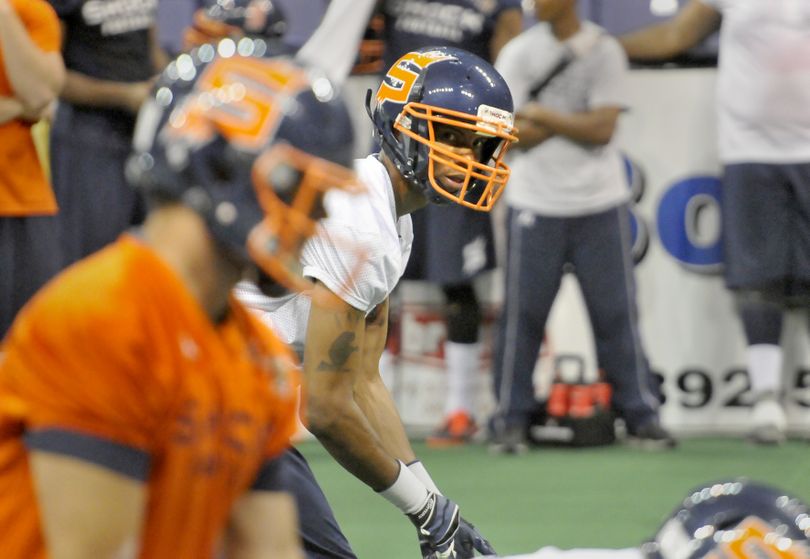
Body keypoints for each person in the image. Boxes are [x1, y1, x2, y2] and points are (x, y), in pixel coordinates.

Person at [0, 47, 360, 559]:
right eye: (304, 192)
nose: (315, 222)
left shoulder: (257, 357)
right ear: (224, 170)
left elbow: (269, 548)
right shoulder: (103, 321)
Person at [239, 46, 518, 558]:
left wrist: (437, 506)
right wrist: (428, 513)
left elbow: (364, 380)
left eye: (479, 144)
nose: (468, 158)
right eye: (450, 136)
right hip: (202, 393)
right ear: (400, 123)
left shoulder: (391, 217)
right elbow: (324, 408)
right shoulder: (364, 224)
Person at [618, 0, 810, 445]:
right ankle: (765, 400)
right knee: (757, 278)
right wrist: (605, 47)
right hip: (750, 151)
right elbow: (675, 36)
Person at [490, 0, 675, 454]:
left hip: (600, 204)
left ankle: (641, 416)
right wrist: (574, 119)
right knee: (522, 318)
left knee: (616, 317)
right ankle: (509, 420)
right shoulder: (517, 54)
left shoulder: (604, 49)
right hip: (535, 203)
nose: (535, 4)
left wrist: (544, 115)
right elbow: (506, 136)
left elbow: (602, 130)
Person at [379, 0, 524, 447]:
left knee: (457, 283)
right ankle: (368, 403)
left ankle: (459, 409)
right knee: (378, 278)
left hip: (455, 146)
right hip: (404, 136)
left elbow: (509, 63)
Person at [47, 0, 169, 268]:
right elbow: (51, 79)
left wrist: (170, 83)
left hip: (144, 136)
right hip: (88, 138)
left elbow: (151, 50)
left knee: (151, 257)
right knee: (93, 261)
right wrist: (125, 95)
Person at [0, 0, 64, 339]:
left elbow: (41, 95)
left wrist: (3, 15)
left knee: (25, 348)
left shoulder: (26, 11)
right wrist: (17, 106)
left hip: (23, 203)